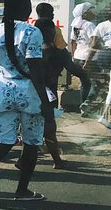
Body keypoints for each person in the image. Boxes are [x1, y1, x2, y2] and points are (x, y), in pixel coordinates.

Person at [0, 0, 50, 204]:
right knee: (31, 142)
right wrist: (45, 102)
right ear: (26, 8)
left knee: (4, 140)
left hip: (2, 90)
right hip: (29, 93)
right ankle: (22, 190)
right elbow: (35, 71)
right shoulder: (32, 32)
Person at [35, 18, 89, 168]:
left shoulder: (31, 49)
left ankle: (26, 158)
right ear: (53, 33)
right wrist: (86, 78)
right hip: (49, 94)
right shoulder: (59, 53)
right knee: (50, 127)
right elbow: (74, 69)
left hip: (31, 92)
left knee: (33, 127)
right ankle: (57, 161)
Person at [69, 2, 98, 111]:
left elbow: (73, 42)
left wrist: (73, 56)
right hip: (89, 58)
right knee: (95, 83)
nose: (94, 12)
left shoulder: (75, 25)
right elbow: (94, 42)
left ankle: (84, 105)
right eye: (91, 10)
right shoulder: (89, 25)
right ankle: (86, 105)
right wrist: (89, 60)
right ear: (85, 13)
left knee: (85, 83)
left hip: (78, 56)